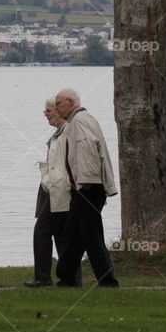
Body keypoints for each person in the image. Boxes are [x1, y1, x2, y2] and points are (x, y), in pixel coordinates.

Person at [54, 89, 119, 288]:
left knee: (91, 235)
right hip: (86, 187)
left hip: (88, 188)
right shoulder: (83, 119)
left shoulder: (79, 121)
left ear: (70, 101)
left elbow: (87, 148)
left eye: (58, 103)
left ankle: (107, 281)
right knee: (73, 235)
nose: (56, 108)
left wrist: (86, 182)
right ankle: (66, 277)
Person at [25, 98, 81, 287]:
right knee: (63, 234)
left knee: (42, 231)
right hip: (58, 190)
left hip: (60, 190)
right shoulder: (60, 134)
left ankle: (43, 277)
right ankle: (71, 278)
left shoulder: (65, 134)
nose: (45, 114)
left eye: (49, 110)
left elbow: (64, 166)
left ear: (59, 112)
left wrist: (48, 182)